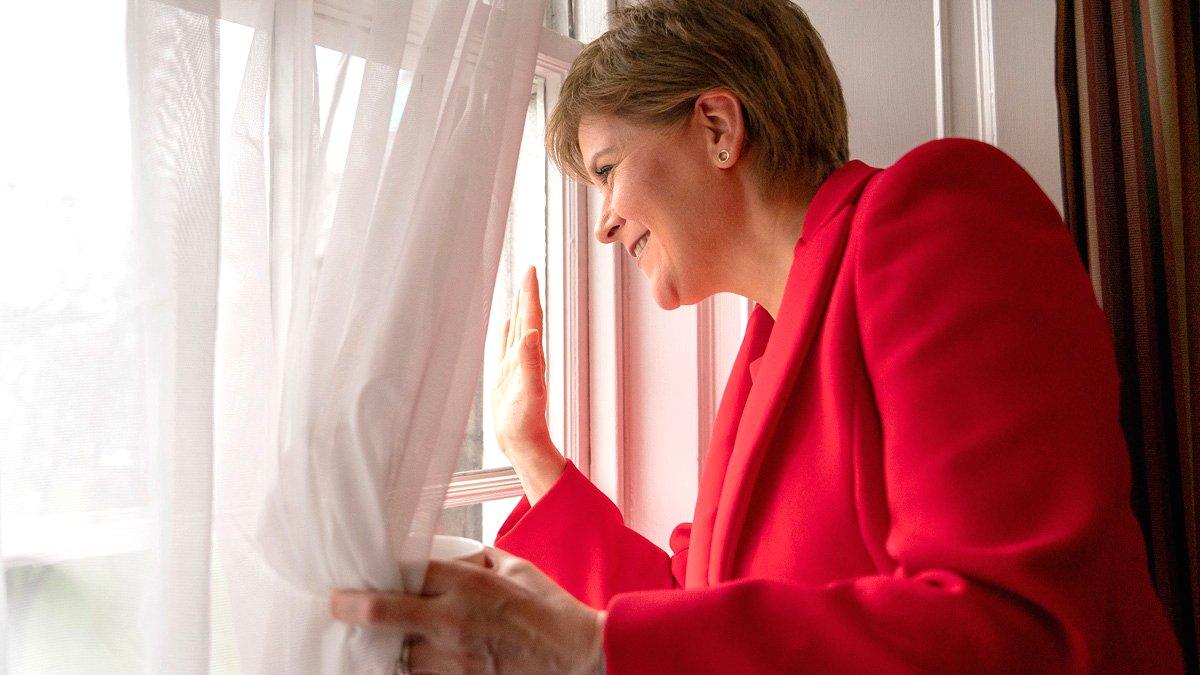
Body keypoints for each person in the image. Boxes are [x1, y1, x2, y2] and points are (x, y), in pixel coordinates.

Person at [330, 0, 1183, 672]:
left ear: (717, 126)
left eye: (607, 170)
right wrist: (531, 454)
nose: (603, 223)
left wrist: (590, 653)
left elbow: (1015, 627)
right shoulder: (764, 354)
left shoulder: (940, 212)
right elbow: (687, 608)